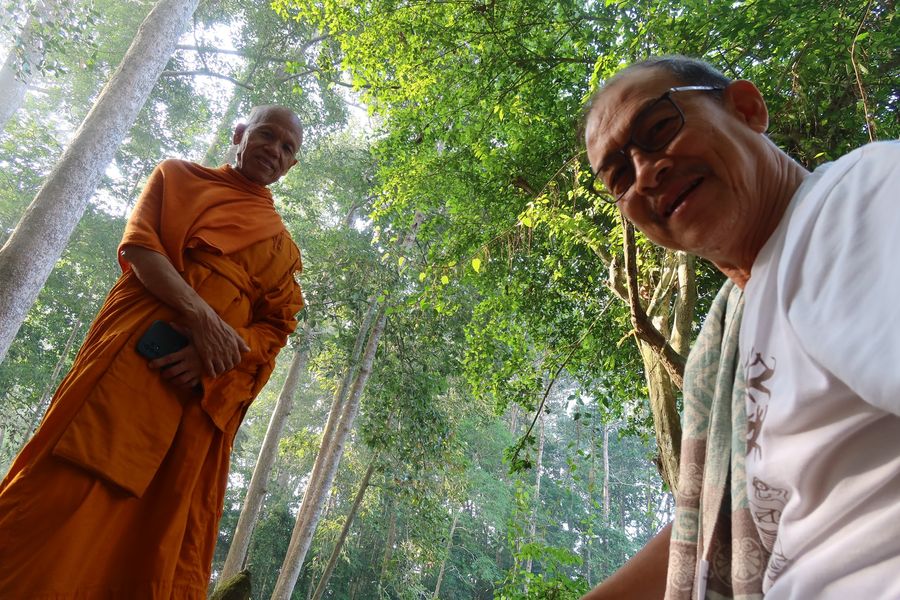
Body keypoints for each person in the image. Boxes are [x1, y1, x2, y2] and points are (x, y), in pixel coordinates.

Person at [580, 55, 900, 599]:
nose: (646, 173)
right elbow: (706, 528)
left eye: (659, 128)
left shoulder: (851, 203)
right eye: (619, 176)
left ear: (747, 109)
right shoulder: (741, 321)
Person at [0, 105, 306, 598]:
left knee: (161, 524)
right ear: (240, 133)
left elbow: (275, 329)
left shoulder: (284, 251)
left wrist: (216, 356)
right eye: (267, 135)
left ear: (292, 165)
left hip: (198, 392)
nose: (274, 149)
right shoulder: (179, 177)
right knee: (66, 488)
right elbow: (142, 249)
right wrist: (203, 320)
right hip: (135, 364)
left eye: (287, 147)